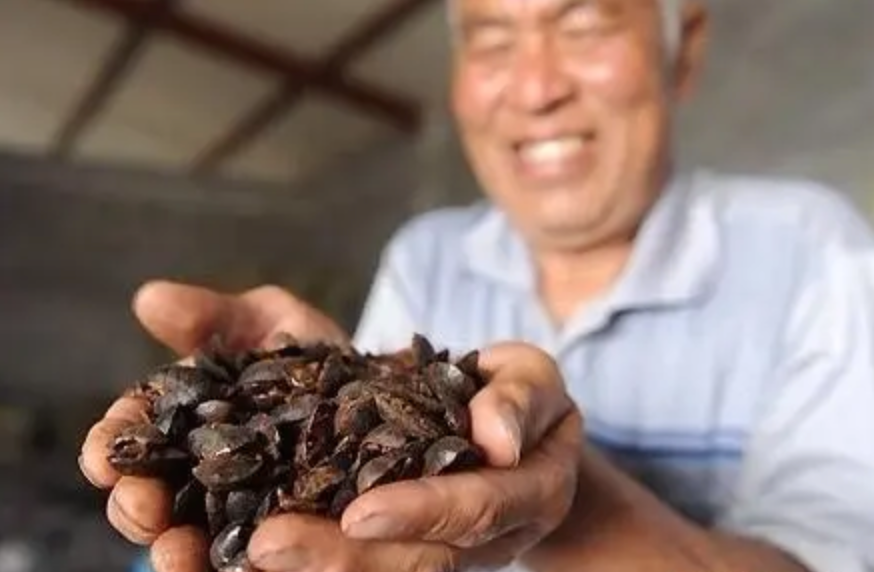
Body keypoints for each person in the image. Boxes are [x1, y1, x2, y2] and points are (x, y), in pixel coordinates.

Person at [79, 0, 874, 571]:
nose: (535, 87)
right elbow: (371, 494)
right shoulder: (428, 254)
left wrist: (563, 500)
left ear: (685, 47)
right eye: (492, 36)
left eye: (584, 22)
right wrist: (319, 378)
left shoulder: (812, 252)